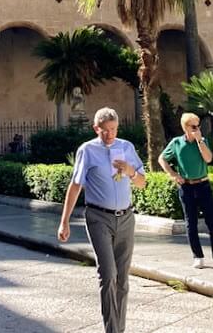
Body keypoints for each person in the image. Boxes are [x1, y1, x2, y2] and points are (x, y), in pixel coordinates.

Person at [57, 107, 146, 333]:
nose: (109, 134)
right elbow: (76, 185)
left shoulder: (126, 147)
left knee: (122, 280)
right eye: (105, 130)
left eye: (113, 129)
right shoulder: (87, 150)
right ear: (96, 128)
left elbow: (142, 182)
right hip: (98, 217)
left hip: (126, 217)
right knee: (108, 274)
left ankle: (119, 328)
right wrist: (64, 221)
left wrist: (130, 172)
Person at [159, 112, 213, 270]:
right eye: (194, 126)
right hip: (186, 187)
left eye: (198, 126)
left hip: (203, 185)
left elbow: (209, 158)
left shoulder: (203, 141)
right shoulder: (176, 143)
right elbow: (162, 158)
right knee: (191, 223)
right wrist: (173, 175)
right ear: (185, 127)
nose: (197, 129)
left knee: (212, 222)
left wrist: (200, 141)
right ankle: (198, 257)